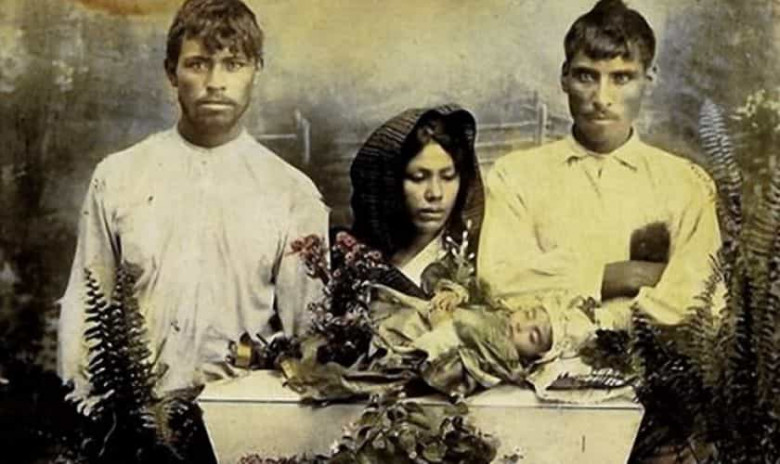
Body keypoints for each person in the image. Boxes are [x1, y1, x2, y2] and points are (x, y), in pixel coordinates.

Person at [57, 0, 328, 402]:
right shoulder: (117, 177)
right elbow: (84, 308)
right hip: (132, 417)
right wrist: (87, 410)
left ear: (256, 70)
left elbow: (308, 337)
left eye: (233, 64)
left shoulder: (292, 193)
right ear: (172, 71)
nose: (215, 82)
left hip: (246, 419)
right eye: (198, 64)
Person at [478, 0, 723, 327]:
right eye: (586, 76)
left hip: (651, 359)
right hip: (535, 359)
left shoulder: (686, 183)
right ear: (564, 77)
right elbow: (498, 284)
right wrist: (619, 276)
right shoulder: (516, 176)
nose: (601, 98)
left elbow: (702, 302)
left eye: (621, 78)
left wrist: (590, 322)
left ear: (649, 80)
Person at [349, 104, 485, 298]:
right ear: (390, 183)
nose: (435, 193)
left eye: (448, 177)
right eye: (418, 177)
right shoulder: (353, 262)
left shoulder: (476, 264)